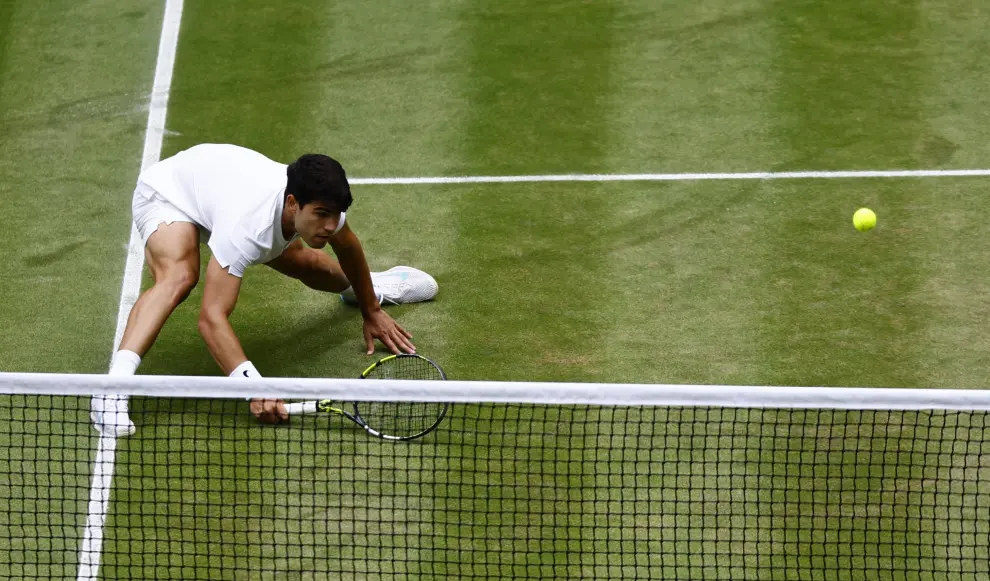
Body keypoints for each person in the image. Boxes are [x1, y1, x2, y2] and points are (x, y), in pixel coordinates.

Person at [92, 144, 438, 436]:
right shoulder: (247, 227)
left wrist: (371, 309)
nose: (330, 225)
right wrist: (254, 388)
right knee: (180, 276)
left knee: (308, 263)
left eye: (336, 215)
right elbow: (211, 319)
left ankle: (371, 289)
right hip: (169, 194)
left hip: (220, 188)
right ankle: (112, 388)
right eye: (321, 215)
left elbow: (347, 247)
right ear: (293, 203)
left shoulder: (322, 206)